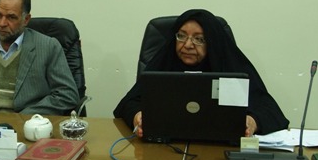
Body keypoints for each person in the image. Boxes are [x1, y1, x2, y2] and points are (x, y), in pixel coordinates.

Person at [114, 9, 289, 137]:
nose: (188, 45)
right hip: (163, 151)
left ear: (212, 42)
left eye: (199, 39)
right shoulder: (165, 62)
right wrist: (138, 116)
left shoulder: (228, 66)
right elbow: (128, 103)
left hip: (220, 156)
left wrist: (252, 121)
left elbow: (270, 110)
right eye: (181, 36)